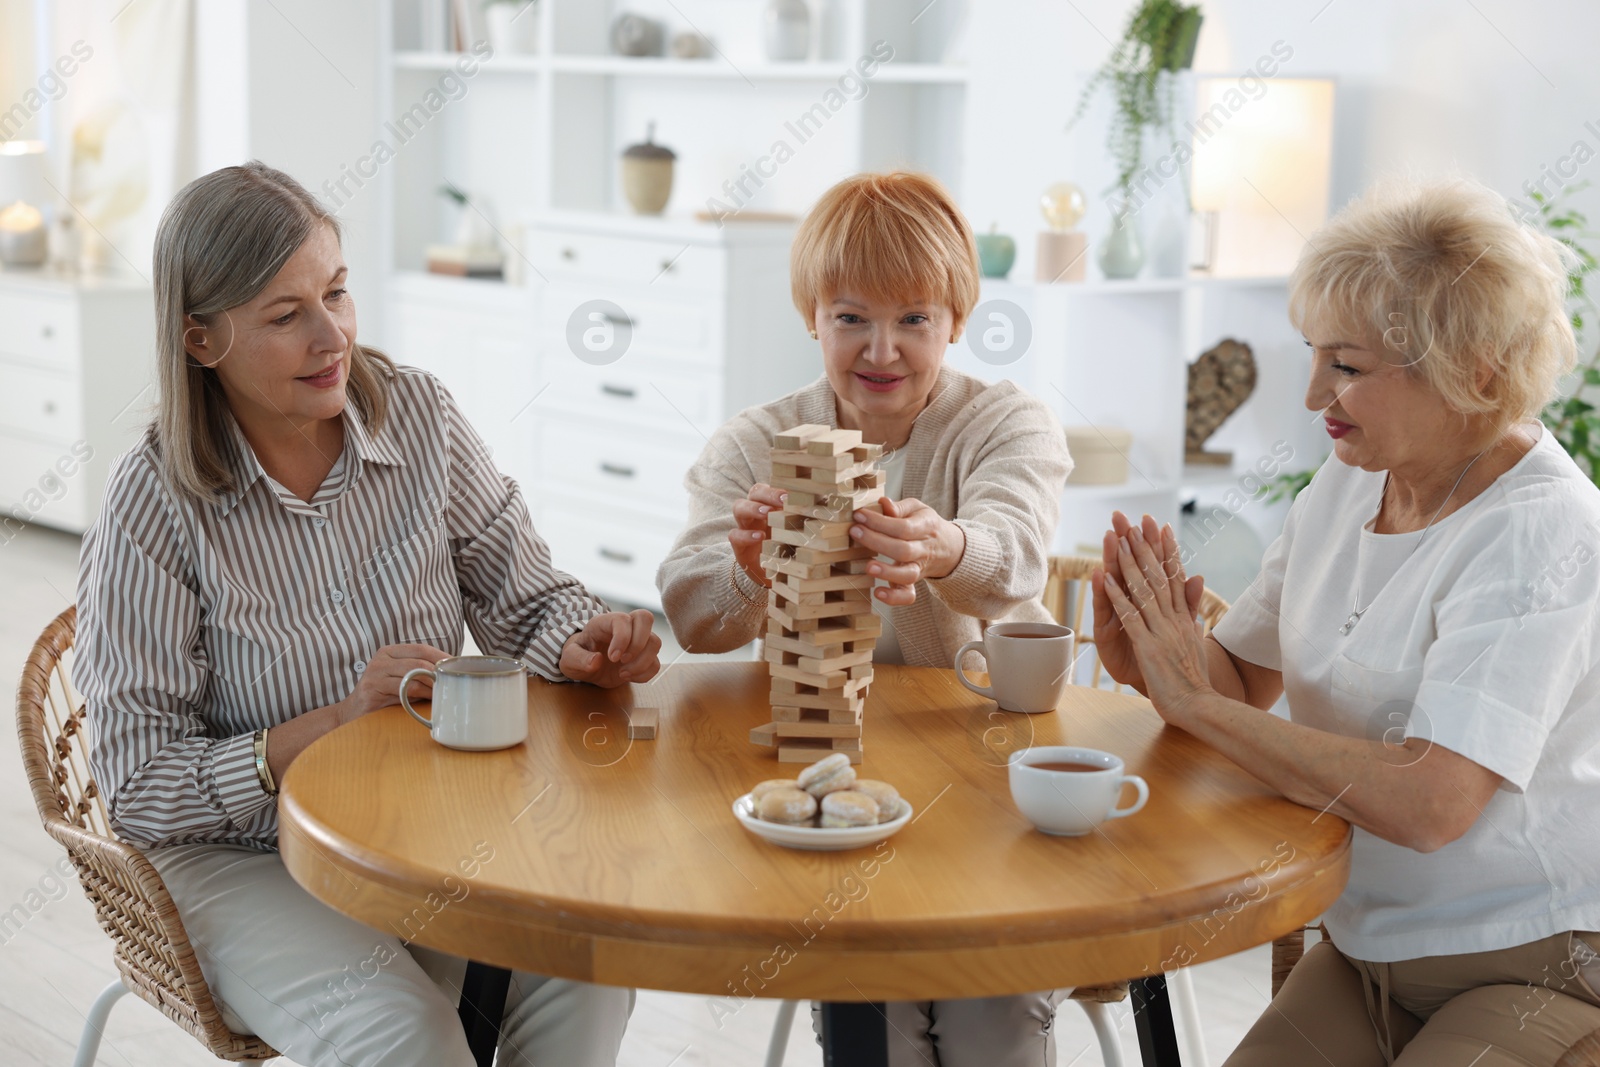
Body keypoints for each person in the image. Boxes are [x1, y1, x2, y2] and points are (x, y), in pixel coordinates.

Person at [76, 161, 661, 1067]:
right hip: (239, 857)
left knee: (584, 958)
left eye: (337, 294)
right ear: (200, 340)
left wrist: (581, 642)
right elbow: (139, 785)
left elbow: (527, 595)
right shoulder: (154, 500)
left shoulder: (420, 416)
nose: (332, 335)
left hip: (416, 828)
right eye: (285, 315)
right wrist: (332, 725)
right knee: (402, 1032)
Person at [1093, 178, 1600, 1065]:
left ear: (1473, 370)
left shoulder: (1542, 530)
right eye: (1315, 355)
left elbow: (1432, 800)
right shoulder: (1350, 477)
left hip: (1535, 960)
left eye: (1349, 367)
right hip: (1370, 948)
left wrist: (1195, 706)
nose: (1313, 394)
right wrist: (1153, 659)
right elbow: (1244, 680)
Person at [657, 171, 1073, 1066]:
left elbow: (1019, 554)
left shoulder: (1007, 423)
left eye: (914, 319)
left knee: (991, 1015)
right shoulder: (755, 440)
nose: (881, 349)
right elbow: (690, 614)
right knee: (872, 1011)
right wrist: (745, 571)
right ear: (812, 316)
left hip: (981, 779)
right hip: (822, 778)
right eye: (851, 317)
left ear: (956, 320)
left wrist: (944, 547)